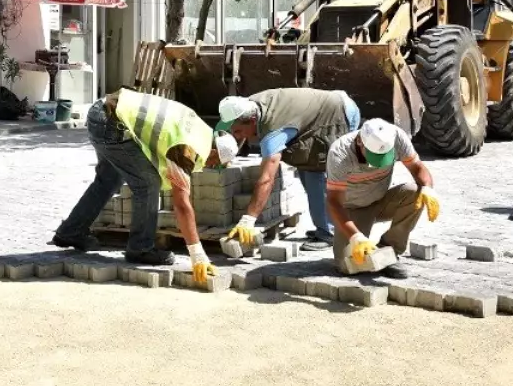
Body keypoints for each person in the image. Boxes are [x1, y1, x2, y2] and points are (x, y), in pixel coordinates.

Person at [51, 89, 239, 283]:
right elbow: (181, 204)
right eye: (217, 163)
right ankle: (140, 248)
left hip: (102, 112)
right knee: (148, 184)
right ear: (215, 150)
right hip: (112, 122)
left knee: (108, 180)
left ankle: (70, 232)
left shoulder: (201, 132)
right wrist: (197, 253)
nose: (212, 167)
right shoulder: (187, 148)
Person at [217, 88, 361, 252]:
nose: (236, 135)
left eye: (238, 131)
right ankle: (324, 225)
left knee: (313, 172)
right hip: (322, 107)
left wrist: (248, 219)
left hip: (340, 113)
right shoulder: (246, 105)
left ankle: (328, 233)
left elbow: (266, 179)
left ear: (252, 120)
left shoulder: (273, 129)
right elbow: (234, 131)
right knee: (305, 164)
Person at [325, 118, 438, 279]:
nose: (378, 163)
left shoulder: (396, 136)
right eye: (374, 156)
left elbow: (418, 167)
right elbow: (334, 202)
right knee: (349, 266)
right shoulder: (340, 153)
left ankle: (390, 251)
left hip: (381, 201)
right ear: (360, 142)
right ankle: (362, 248)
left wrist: (428, 188)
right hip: (351, 209)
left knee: (416, 193)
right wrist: (356, 237)